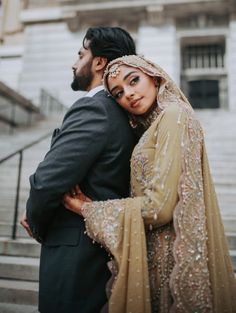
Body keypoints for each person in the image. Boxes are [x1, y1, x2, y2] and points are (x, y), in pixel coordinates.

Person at [63, 55, 236, 313]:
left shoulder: (173, 115)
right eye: (119, 93)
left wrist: (88, 209)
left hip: (170, 260)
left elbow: (159, 208)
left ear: (155, 78)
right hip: (155, 256)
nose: (129, 94)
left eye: (134, 80)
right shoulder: (153, 126)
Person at [21, 28, 136, 313]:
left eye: (81, 54)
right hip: (96, 247)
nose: (74, 63)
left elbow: (47, 181)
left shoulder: (94, 109)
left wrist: (35, 222)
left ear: (98, 62)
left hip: (75, 250)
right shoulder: (121, 113)